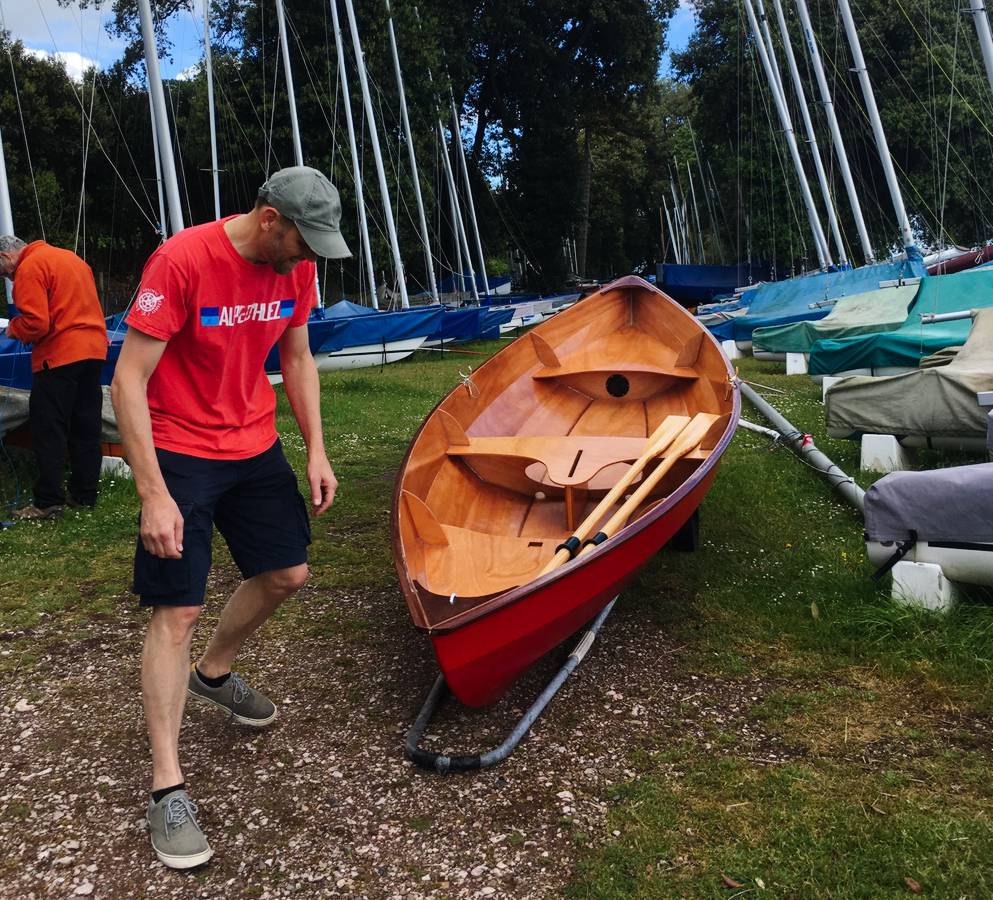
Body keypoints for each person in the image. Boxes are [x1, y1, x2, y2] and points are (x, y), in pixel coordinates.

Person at [111, 166, 349, 869]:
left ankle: (211, 676)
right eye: (303, 243)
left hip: (253, 444)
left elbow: (297, 356)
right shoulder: (182, 260)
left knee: (288, 573)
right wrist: (153, 493)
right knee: (175, 611)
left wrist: (316, 451)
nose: (309, 260)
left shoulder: (295, 269)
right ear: (270, 218)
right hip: (180, 451)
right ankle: (167, 788)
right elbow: (127, 379)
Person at [1, 235, 109, 518]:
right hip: (94, 350)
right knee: (86, 427)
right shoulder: (71, 259)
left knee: (49, 429)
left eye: (4, 271)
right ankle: (84, 495)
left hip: (60, 355)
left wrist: (14, 329)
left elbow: (36, 323)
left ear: (5, 257)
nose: (7, 277)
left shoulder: (29, 267)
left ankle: (48, 501)